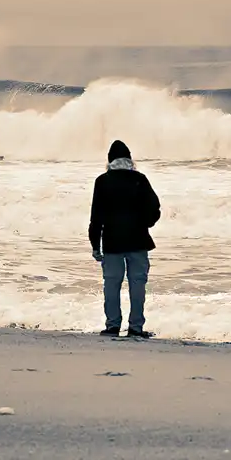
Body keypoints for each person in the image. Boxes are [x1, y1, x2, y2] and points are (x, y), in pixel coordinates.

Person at [88, 140, 161, 338]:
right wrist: (145, 224)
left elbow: (96, 217)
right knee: (137, 285)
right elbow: (155, 208)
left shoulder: (102, 181)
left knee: (111, 285)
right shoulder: (140, 179)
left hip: (112, 242)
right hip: (138, 241)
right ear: (130, 159)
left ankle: (112, 326)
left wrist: (95, 245)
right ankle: (135, 328)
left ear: (110, 160)